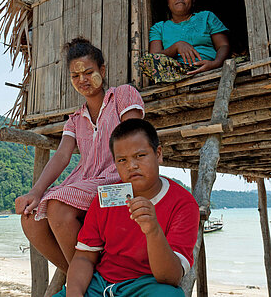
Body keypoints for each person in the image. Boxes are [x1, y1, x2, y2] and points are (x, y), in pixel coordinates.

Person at [15, 37, 145, 273]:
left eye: (88, 72)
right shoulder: (75, 119)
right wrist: (34, 192)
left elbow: (136, 140)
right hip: (88, 185)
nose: (82, 80)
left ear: (102, 71)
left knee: (56, 205)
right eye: (75, 76)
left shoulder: (123, 96)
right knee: (30, 217)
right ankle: (80, 277)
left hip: (121, 187)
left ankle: (82, 279)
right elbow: (62, 156)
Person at [55, 119, 199, 296]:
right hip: (100, 284)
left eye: (140, 156)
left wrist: (153, 230)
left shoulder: (183, 204)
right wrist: (74, 293)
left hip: (146, 286)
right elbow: (85, 256)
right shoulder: (107, 197)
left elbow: (170, 278)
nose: (132, 166)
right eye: (122, 160)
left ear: (158, 154)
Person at [142, 0, 230, 84]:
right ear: (168, 2)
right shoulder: (159, 28)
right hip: (176, 73)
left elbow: (223, 45)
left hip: (209, 68)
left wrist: (216, 63)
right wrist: (176, 47)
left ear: (193, 1)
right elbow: (153, 58)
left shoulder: (207, 17)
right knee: (146, 60)